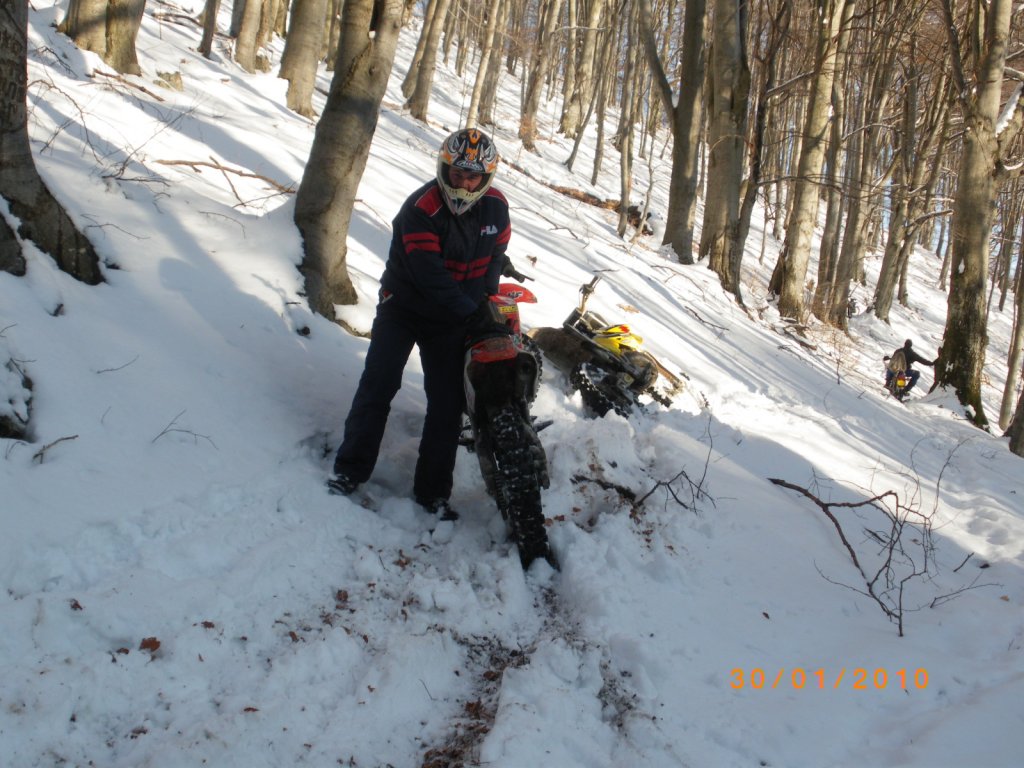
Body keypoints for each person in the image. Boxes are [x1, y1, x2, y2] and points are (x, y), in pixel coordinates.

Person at [327, 129, 511, 521]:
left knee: (447, 405)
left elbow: (497, 252)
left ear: (485, 177)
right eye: (457, 174)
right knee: (378, 385)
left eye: (472, 176)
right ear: (444, 169)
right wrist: (472, 311)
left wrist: (487, 296)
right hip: (405, 307)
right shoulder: (420, 209)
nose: (464, 183)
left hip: (453, 317)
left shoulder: (497, 208)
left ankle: (432, 494)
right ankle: (349, 470)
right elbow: (430, 276)